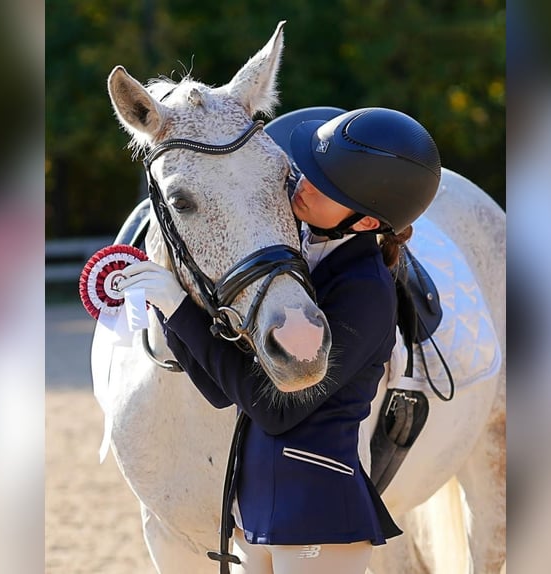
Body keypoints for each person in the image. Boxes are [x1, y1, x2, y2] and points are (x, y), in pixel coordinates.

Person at [118, 107, 441, 574]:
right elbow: (219, 390)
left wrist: (181, 311)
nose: (302, 185)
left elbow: (274, 408)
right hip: (261, 518)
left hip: (320, 520)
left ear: (367, 223)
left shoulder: (364, 292)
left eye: (325, 188)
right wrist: (171, 302)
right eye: (307, 172)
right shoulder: (295, 265)